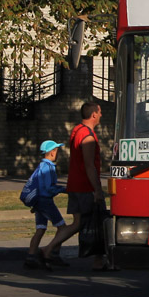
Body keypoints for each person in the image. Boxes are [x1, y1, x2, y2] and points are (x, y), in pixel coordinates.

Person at [43, 102, 108, 270]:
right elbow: (89, 165)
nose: (101, 115)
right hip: (85, 186)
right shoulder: (87, 136)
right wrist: (97, 190)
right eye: (100, 112)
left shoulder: (77, 130)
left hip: (75, 184)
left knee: (78, 223)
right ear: (94, 114)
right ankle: (98, 261)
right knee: (98, 222)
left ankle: (48, 250)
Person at [23, 140, 72, 270]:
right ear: (52, 152)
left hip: (38, 201)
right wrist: (65, 190)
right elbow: (49, 188)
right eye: (56, 150)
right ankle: (52, 253)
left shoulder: (40, 166)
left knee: (41, 228)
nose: (57, 153)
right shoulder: (49, 167)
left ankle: (31, 256)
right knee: (62, 228)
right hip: (45, 201)